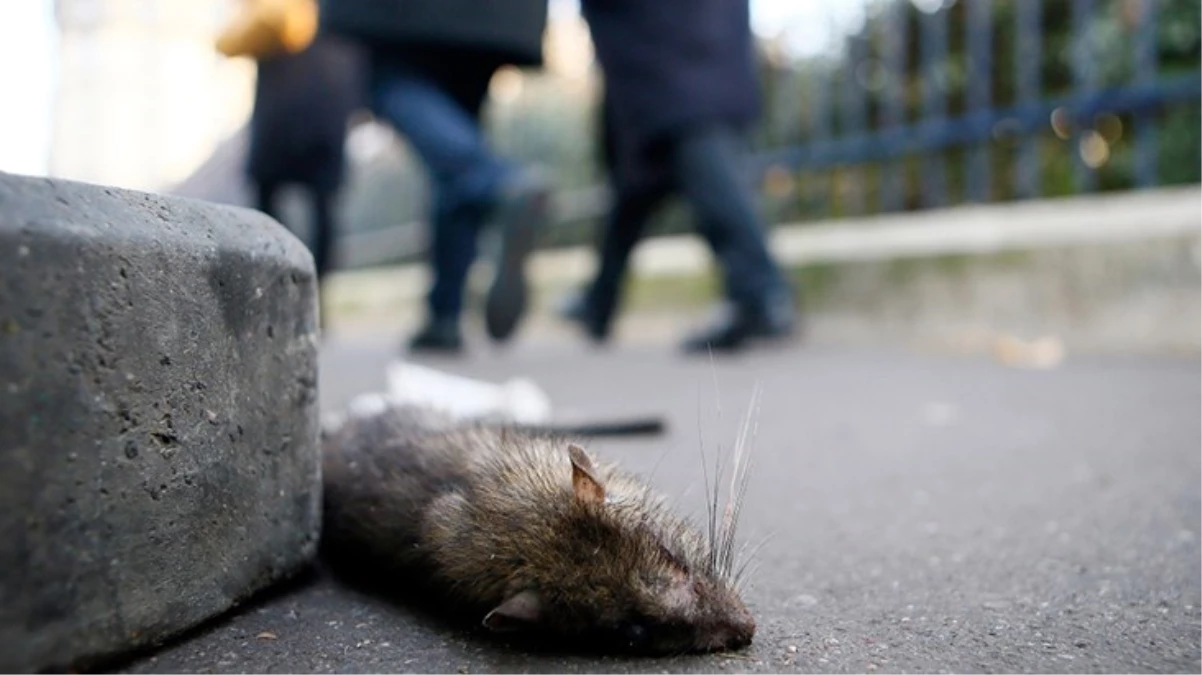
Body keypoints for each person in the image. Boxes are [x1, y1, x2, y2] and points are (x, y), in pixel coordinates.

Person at [562, 0, 799, 354]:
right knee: (635, 186)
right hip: (685, 55)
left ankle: (761, 293)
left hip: (672, 58)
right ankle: (599, 302)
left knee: (703, 165)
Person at [318, 0, 552, 354]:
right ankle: (444, 313)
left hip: (405, 16)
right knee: (456, 133)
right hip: (495, 15)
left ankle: (495, 180)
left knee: (392, 85)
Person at [216, 0, 367, 323]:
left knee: (271, 202)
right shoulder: (341, 17)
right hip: (326, 109)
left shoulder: (274, 11)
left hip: (283, 112)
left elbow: (227, 43)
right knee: (320, 205)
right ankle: (312, 294)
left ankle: (279, 289)